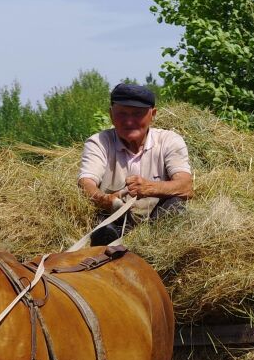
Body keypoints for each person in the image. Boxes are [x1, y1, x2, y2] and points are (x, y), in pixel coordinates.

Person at [78, 82, 193, 246]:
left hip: (158, 223)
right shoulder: (98, 142)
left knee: (175, 206)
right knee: (102, 226)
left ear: (153, 114)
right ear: (111, 114)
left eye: (137, 114)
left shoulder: (169, 141)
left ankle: (158, 249)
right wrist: (103, 198)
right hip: (115, 221)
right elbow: (86, 182)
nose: (129, 121)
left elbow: (185, 187)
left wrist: (150, 188)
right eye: (122, 114)